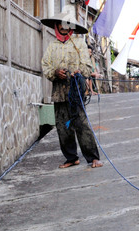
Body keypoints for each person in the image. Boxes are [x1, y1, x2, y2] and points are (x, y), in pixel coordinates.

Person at [41, 7, 103, 169]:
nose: (63, 29)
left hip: (75, 91)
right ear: (56, 27)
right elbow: (45, 66)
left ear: (71, 27)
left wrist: (78, 72)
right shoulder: (51, 47)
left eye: (66, 26)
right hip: (59, 93)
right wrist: (55, 72)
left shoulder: (79, 44)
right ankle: (71, 158)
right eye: (60, 26)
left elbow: (87, 67)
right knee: (63, 127)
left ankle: (93, 157)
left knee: (81, 124)